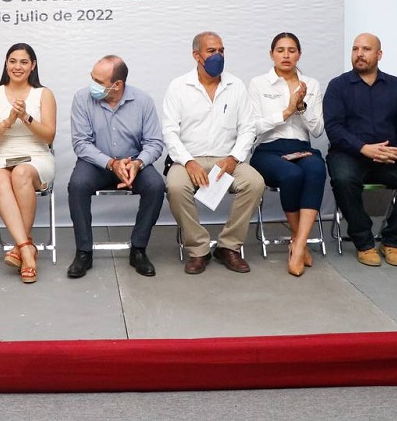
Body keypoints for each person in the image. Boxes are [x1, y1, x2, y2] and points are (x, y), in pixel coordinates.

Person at [163, 32, 265, 276]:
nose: (218, 55)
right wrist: (188, 162)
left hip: (226, 159)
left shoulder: (236, 85)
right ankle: (199, 249)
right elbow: (169, 131)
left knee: (254, 183)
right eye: (211, 51)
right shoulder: (178, 86)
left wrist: (234, 158)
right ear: (196, 55)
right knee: (175, 187)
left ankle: (228, 246)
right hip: (189, 159)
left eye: (221, 50)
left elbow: (248, 128)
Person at [323, 33, 397, 267]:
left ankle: (392, 241)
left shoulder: (396, 86)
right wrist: (363, 148)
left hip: (391, 154)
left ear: (379, 54)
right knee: (342, 179)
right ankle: (364, 242)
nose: (359, 54)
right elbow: (334, 128)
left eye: (366, 49)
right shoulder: (338, 86)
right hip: (350, 154)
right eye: (355, 49)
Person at [66, 55, 164, 278]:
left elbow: (154, 143)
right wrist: (111, 163)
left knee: (156, 186)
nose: (92, 85)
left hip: (133, 163)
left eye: (98, 81)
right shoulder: (81, 99)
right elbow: (81, 143)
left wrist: (138, 163)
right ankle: (83, 252)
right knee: (77, 185)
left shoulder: (143, 101)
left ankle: (138, 249)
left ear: (118, 84)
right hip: (97, 163)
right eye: (92, 78)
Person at [248, 32, 326, 276]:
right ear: (271, 54)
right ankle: (298, 240)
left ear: (299, 54)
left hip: (301, 148)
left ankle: (299, 245)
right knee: (292, 175)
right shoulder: (259, 84)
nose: (286, 55)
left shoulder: (311, 84)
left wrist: (301, 107)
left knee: (316, 169)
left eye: (292, 50)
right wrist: (286, 111)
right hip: (268, 149)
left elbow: (318, 130)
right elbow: (253, 127)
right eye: (280, 50)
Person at [0, 43, 57, 284]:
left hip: (37, 156)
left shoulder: (44, 94)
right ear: (6, 64)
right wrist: (8, 121)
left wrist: (25, 117)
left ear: (33, 65)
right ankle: (26, 248)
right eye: (12, 61)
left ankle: (21, 248)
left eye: (24, 62)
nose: (17, 66)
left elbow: (49, 136)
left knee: (20, 173)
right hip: (4, 155)